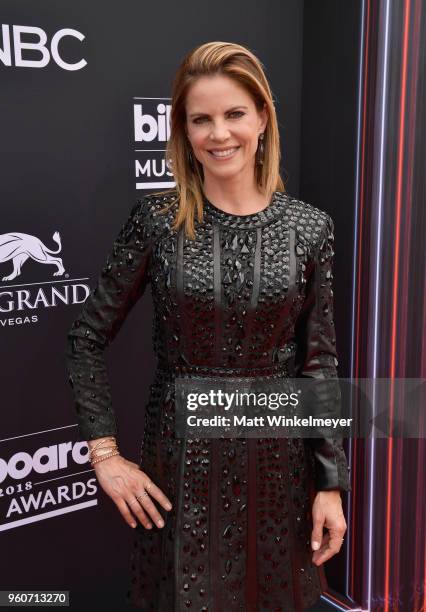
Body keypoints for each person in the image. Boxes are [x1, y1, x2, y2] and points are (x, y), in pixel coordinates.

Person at [65, 41, 350, 611]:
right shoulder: (157, 221)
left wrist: (330, 484)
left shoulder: (311, 229)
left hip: (279, 472)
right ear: (185, 132)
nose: (219, 134)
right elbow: (86, 338)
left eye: (234, 114)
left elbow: (318, 363)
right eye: (202, 119)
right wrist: (106, 457)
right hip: (181, 469)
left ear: (263, 118)